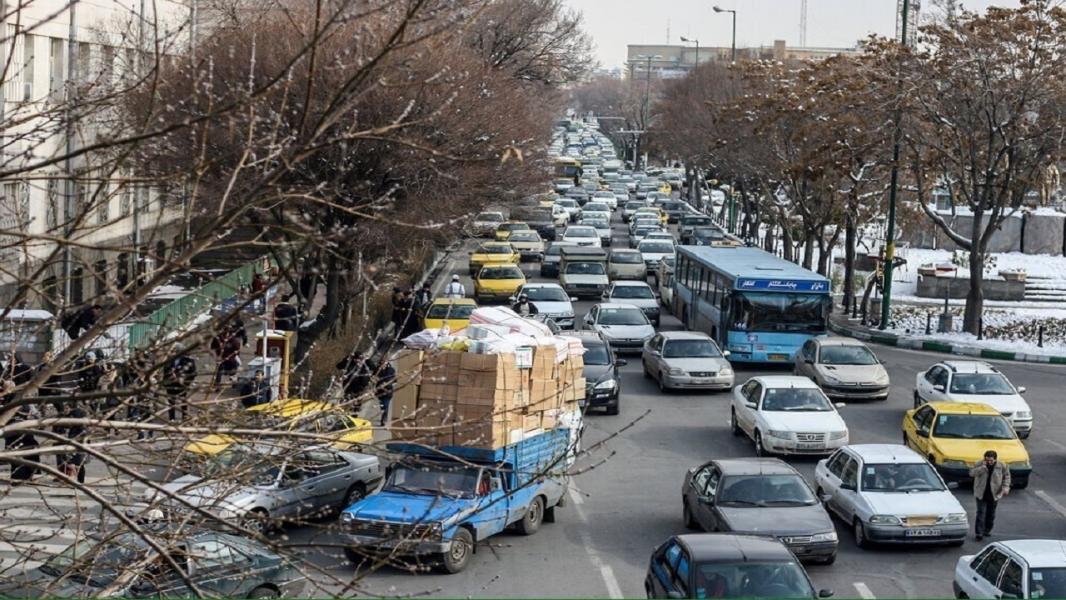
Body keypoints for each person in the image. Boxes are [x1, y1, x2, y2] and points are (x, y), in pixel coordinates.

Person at [970, 449, 1010, 541]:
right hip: (981, 493)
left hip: (994, 493)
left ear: (995, 459)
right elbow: (971, 473)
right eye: (987, 460)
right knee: (981, 513)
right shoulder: (979, 464)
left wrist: (1005, 487)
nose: (989, 462)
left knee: (991, 514)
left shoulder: (1002, 466)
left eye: (991, 460)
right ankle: (979, 533)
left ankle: (987, 530)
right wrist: (982, 468)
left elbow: (1006, 477)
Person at [55, 401, 88, 484]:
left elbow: (83, 434)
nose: (65, 410)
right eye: (64, 408)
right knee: (69, 462)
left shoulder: (79, 424)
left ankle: (80, 481)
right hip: (69, 444)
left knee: (78, 463)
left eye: (67, 408)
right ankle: (68, 478)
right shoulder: (64, 418)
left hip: (77, 445)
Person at [162, 350, 197, 421]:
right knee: (171, 401)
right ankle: (172, 418)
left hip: (182, 385)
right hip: (171, 384)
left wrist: (186, 381)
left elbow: (194, 373)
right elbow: (165, 371)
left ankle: (184, 417)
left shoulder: (188, 361)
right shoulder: (169, 360)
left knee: (183, 401)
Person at [375, 361, 396, 427]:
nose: (383, 366)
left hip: (387, 391)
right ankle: (384, 416)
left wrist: (389, 385)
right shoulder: (378, 371)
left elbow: (394, 380)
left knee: (385, 405)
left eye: (384, 364)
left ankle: (383, 419)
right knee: (382, 405)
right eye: (382, 364)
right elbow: (374, 378)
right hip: (380, 391)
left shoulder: (390, 370)